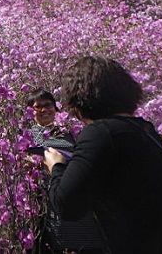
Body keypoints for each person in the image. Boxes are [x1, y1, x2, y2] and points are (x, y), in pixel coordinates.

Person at [45, 56, 162, 254]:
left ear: (78, 100)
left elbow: (67, 205)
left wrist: (57, 166)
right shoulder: (144, 130)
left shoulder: (101, 133)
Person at [25, 89, 105, 253]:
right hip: (45, 196)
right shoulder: (27, 135)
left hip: (73, 187)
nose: (43, 110)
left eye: (47, 105)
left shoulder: (69, 131)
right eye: (37, 107)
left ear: (56, 108)